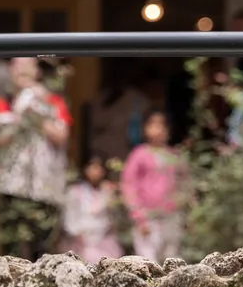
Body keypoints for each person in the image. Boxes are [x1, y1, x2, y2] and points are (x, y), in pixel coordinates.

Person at [0, 57, 71, 259]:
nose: (23, 70)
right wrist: (16, 119)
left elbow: (61, 136)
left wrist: (35, 114)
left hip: (44, 186)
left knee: (41, 246)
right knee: (10, 245)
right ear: (10, 71)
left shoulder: (52, 101)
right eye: (18, 65)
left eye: (28, 65)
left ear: (37, 72)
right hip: (9, 185)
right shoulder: (1, 102)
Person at [120, 111, 189, 264]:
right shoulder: (139, 154)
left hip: (170, 217)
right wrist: (138, 216)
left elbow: (185, 185)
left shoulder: (174, 155)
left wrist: (186, 213)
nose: (157, 129)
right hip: (147, 217)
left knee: (171, 260)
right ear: (145, 128)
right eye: (153, 124)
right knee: (147, 262)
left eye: (161, 125)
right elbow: (129, 186)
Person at [63, 157, 124, 263]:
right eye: (92, 168)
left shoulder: (106, 192)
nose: (95, 172)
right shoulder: (75, 191)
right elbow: (69, 216)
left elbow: (113, 217)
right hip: (82, 239)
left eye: (98, 168)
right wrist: (77, 233)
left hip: (103, 239)